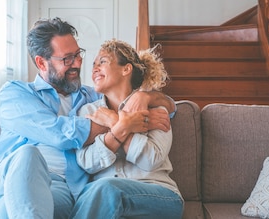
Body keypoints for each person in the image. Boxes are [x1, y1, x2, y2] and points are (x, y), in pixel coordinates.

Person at [0, 17, 176, 219]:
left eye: (78, 54)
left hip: (61, 187)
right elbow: (59, 133)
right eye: (67, 58)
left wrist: (145, 96)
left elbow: (166, 107)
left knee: (18, 210)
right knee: (28, 155)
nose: (78, 63)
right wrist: (120, 123)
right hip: (6, 179)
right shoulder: (16, 93)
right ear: (41, 63)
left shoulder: (91, 98)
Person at [71, 39, 184, 219]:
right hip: (102, 195)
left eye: (103, 62)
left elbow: (151, 160)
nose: (94, 69)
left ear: (126, 69)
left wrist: (114, 122)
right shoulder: (88, 111)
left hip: (159, 195)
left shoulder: (156, 109)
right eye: (93, 64)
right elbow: (86, 162)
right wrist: (123, 126)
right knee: (103, 190)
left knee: (107, 189)